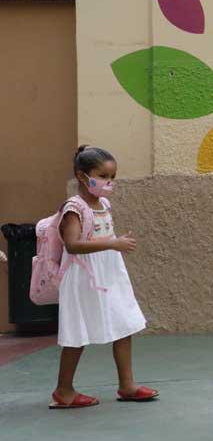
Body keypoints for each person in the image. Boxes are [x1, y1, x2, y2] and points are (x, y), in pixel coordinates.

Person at [50, 145, 156, 409]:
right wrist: (112, 243)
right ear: (82, 176)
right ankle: (64, 390)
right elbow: (72, 245)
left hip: (109, 274)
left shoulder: (104, 204)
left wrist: (113, 246)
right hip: (84, 277)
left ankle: (127, 385)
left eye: (112, 177)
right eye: (103, 176)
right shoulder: (74, 207)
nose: (109, 182)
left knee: (124, 323)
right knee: (78, 332)